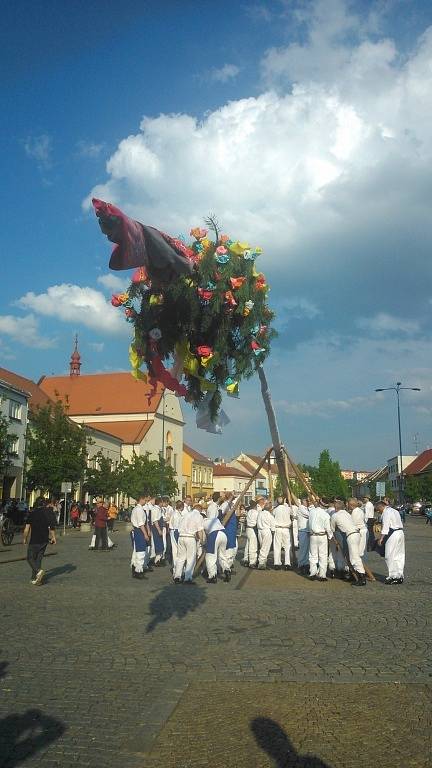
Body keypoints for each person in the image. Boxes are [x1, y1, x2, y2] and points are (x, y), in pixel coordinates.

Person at [331, 500, 366, 586]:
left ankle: (362, 578)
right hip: (357, 534)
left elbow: (332, 529)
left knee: (354, 558)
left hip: (351, 536)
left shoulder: (335, 515)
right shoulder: (347, 513)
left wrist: (334, 540)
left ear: (335, 508)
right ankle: (355, 575)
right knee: (354, 556)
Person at [23, 497, 56, 585]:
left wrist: (24, 538)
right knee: (38, 559)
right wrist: (53, 537)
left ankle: (38, 571)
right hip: (44, 539)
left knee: (30, 558)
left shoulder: (32, 513)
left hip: (35, 539)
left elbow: (27, 529)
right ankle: (36, 579)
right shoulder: (48, 512)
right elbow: (51, 526)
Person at [375, 500, 405, 584]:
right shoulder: (395, 511)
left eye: (378, 509)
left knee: (389, 555)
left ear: (381, 506)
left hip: (393, 534)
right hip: (400, 532)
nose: (378, 511)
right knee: (399, 555)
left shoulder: (386, 512)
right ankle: (400, 575)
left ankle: (393, 576)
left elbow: (386, 527)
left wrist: (381, 538)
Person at [173, 505, 204, 584]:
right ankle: (187, 578)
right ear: (200, 510)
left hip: (181, 536)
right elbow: (200, 530)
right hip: (190, 537)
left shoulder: (185, 515)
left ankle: (177, 576)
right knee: (191, 558)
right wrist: (201, 540)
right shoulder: (199, 516)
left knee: (180, 558)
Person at [308, 500, 333, 581]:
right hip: (322, 536)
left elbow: (309, 523)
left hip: (313, 535)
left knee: (313, 555)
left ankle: (312, 573)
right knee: (323, 555)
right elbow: (328, 528)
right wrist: (330, 537)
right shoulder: (326, 514)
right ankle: (322, 575)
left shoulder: (311, 512)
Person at [203, 515, 229, 583]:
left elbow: (203, 535)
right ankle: (227, 570)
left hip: (214, 535)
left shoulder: (202, 522)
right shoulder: (215, 519)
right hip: (224, 533)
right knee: (222, 555)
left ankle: (212, 577)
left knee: (210, 557)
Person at [130, 494, 150, 579]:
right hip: (139, 531)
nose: (146, 502)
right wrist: (145, 534)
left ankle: (135, 569)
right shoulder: (139, 509)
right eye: (145, 500)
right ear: (141, 499)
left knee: (138, 551)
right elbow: (141, 524)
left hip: (138, 530)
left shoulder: (137, 509)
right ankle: (138, 571)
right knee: (141, 551)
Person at [272, 496, 293, 571]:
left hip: (278, 529)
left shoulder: (275, 510)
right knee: (287, 547)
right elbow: (292, 514)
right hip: (286, 529)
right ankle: (287, 563)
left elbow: (273, 515)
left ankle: (277, 563)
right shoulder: (288, 509)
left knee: (277, 546)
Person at [257, 501, 275, 570]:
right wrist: (273, 533)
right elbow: (273, 527)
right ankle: (261, 562)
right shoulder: (270, 516)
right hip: (266, 531)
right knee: (265, 547)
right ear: (270, 509)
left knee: (262, 546)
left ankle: (263, 561)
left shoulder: (260, 513)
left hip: (260, 531)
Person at [242, 500, 259, 568]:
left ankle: (246, 559)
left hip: (248, 529)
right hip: (252, 529)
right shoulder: (256, 512)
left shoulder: (249, 512)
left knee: (248, 545)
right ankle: (252, 562)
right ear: (255, 506)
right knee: (253, 546)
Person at [296, 497, 310, 574]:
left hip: (307, 530)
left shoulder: (306, 508)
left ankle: (306, 564)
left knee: (307, 549)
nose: (308, 502)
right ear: (303, 501)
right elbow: (309, 515)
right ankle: (301, 564)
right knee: (303, 548)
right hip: (303, 530)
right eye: (306, 501)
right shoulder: (301, 508)